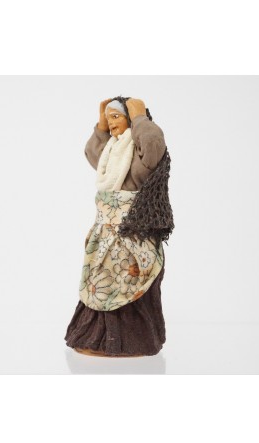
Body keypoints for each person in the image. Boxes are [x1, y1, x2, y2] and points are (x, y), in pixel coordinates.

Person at [64, 96, 174, 357]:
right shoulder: (112, 153)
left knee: (128, 282)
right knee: (100, 282)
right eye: (109, 118)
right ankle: (96, 338)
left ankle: (132, 341)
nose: (112, 123)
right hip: (104, 233)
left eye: (116, 117)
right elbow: (92, 153)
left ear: (131, 119)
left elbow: (153, 146)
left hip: (133, 233)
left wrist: (140, 118)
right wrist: (101, 126)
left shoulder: (138, 154)